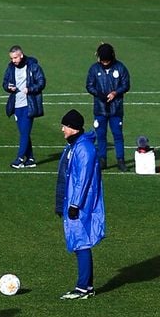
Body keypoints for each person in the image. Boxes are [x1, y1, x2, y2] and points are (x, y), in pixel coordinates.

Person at [55, 110, 106, 300]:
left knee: (81, 241)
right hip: (73, 200)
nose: (62, 129)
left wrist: (75, 204)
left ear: (74, 128)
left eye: (65, 126)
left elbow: (83, 180)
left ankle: (84, 287)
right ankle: (85, 286)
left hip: (81, 202)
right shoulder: (74, 146)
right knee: (78, 242)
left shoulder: (84, 149)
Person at [85, 42, 130, 171]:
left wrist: (115, 93)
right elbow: (89, 85)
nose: (105, 63)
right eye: (103, 61)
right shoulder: (94, 69)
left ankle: (120, 161)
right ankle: (102, 160)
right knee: (101, 135)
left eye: (107, 61)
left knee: (118, 135)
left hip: (116, 109)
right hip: (100, 109)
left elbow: (126, 84)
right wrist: (99, 94)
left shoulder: (120, 68)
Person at [2, 45, 46, 169]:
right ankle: (31, 159)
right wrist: (8, 87)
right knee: (23, 132)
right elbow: (5, 82)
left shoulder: (33, 66)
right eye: (11, 58)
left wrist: (30, 89)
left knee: (24, 133)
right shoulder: (11, 67)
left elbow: (41, 82)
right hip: (17, 105)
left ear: (21, 55)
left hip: (29, 104)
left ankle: (20, 159)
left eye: (15, 58)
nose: (13, 61)